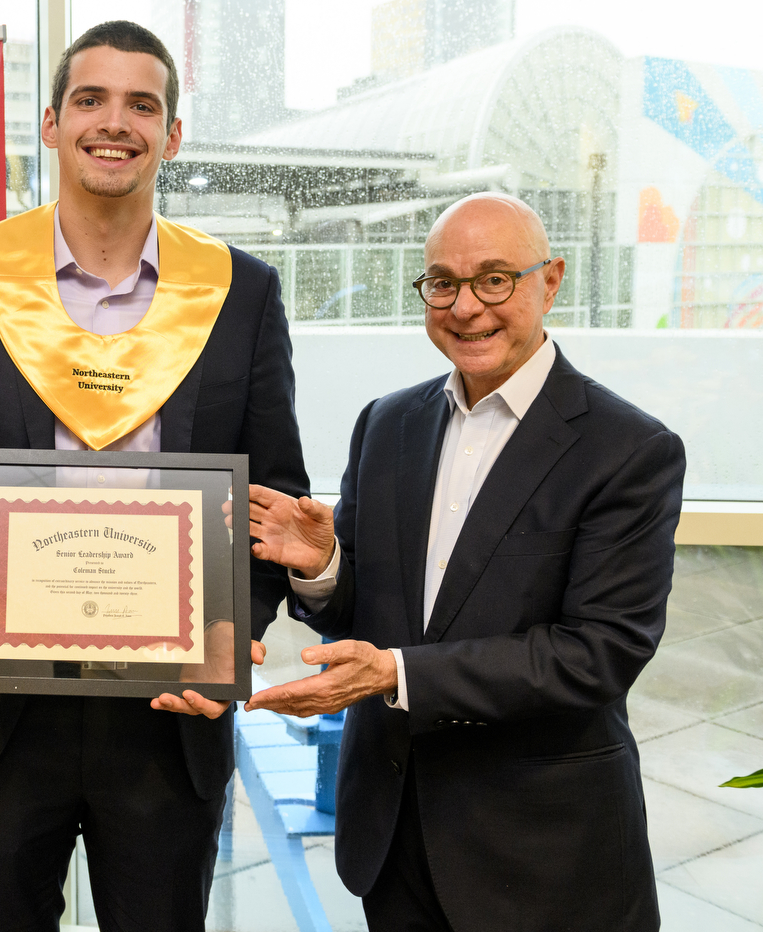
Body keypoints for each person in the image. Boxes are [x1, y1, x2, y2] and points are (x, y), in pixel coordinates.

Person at [0, 20, 308, 932]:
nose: (114, 123)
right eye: (91, 99)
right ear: (50, 122)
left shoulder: (240, 294)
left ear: (173, 134)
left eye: (142, 104)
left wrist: (236, 633)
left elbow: (274, 496)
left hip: (167, 720)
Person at [240, 192, 685, 931]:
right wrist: (323, 567)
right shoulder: (388, 424)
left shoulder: (628, 451)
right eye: (442, 282)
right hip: (394, 835)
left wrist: (398, 674)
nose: (466, 306)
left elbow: (599, 653)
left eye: (495, 279)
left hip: (543, 855)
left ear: (551, 281)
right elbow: (368, 614)